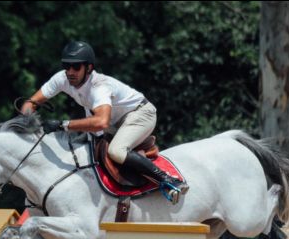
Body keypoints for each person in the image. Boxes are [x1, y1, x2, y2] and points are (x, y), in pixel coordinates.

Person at [21, 41, 188, 204]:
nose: (70, 71)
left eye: (76, 67)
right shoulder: (62, 78)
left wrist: (62, 125)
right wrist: (26, 119)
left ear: (89, 68)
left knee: (116, 151)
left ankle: (168, 180)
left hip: (140, 114)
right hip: (114, 122)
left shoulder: (98, 87)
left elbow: (101, 122)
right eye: (66, 66)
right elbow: (31, 102)